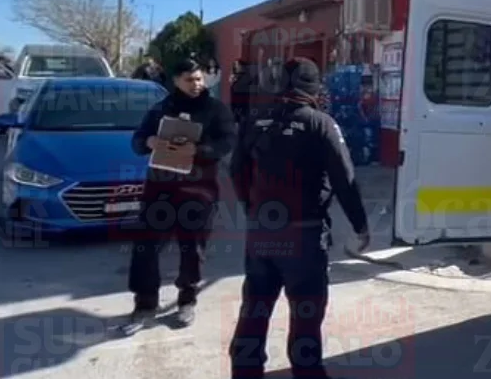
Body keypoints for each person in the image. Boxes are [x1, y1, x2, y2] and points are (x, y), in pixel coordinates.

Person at [228, 57, 370, 379]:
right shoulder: (320, 123)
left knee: (255, 309)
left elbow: (236, 170)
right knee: (305, 316)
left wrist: (251, 209)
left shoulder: (253, 121)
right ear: (314, 88)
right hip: (303, 238)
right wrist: (360, 226)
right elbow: (345, 180)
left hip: (261, 236)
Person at [124, 58, 237, 333]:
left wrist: (197, 150)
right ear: (175, 81)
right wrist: (148, 142)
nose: (196, 84)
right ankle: (145, 303)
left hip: (198, 190)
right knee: (146, 248)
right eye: (189, 80)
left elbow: (227, 142)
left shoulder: (216, 110)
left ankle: (187, 299)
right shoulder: (160, 110)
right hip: (159, 190)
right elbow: (137, 141)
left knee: (192, 249)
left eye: (199, 78)